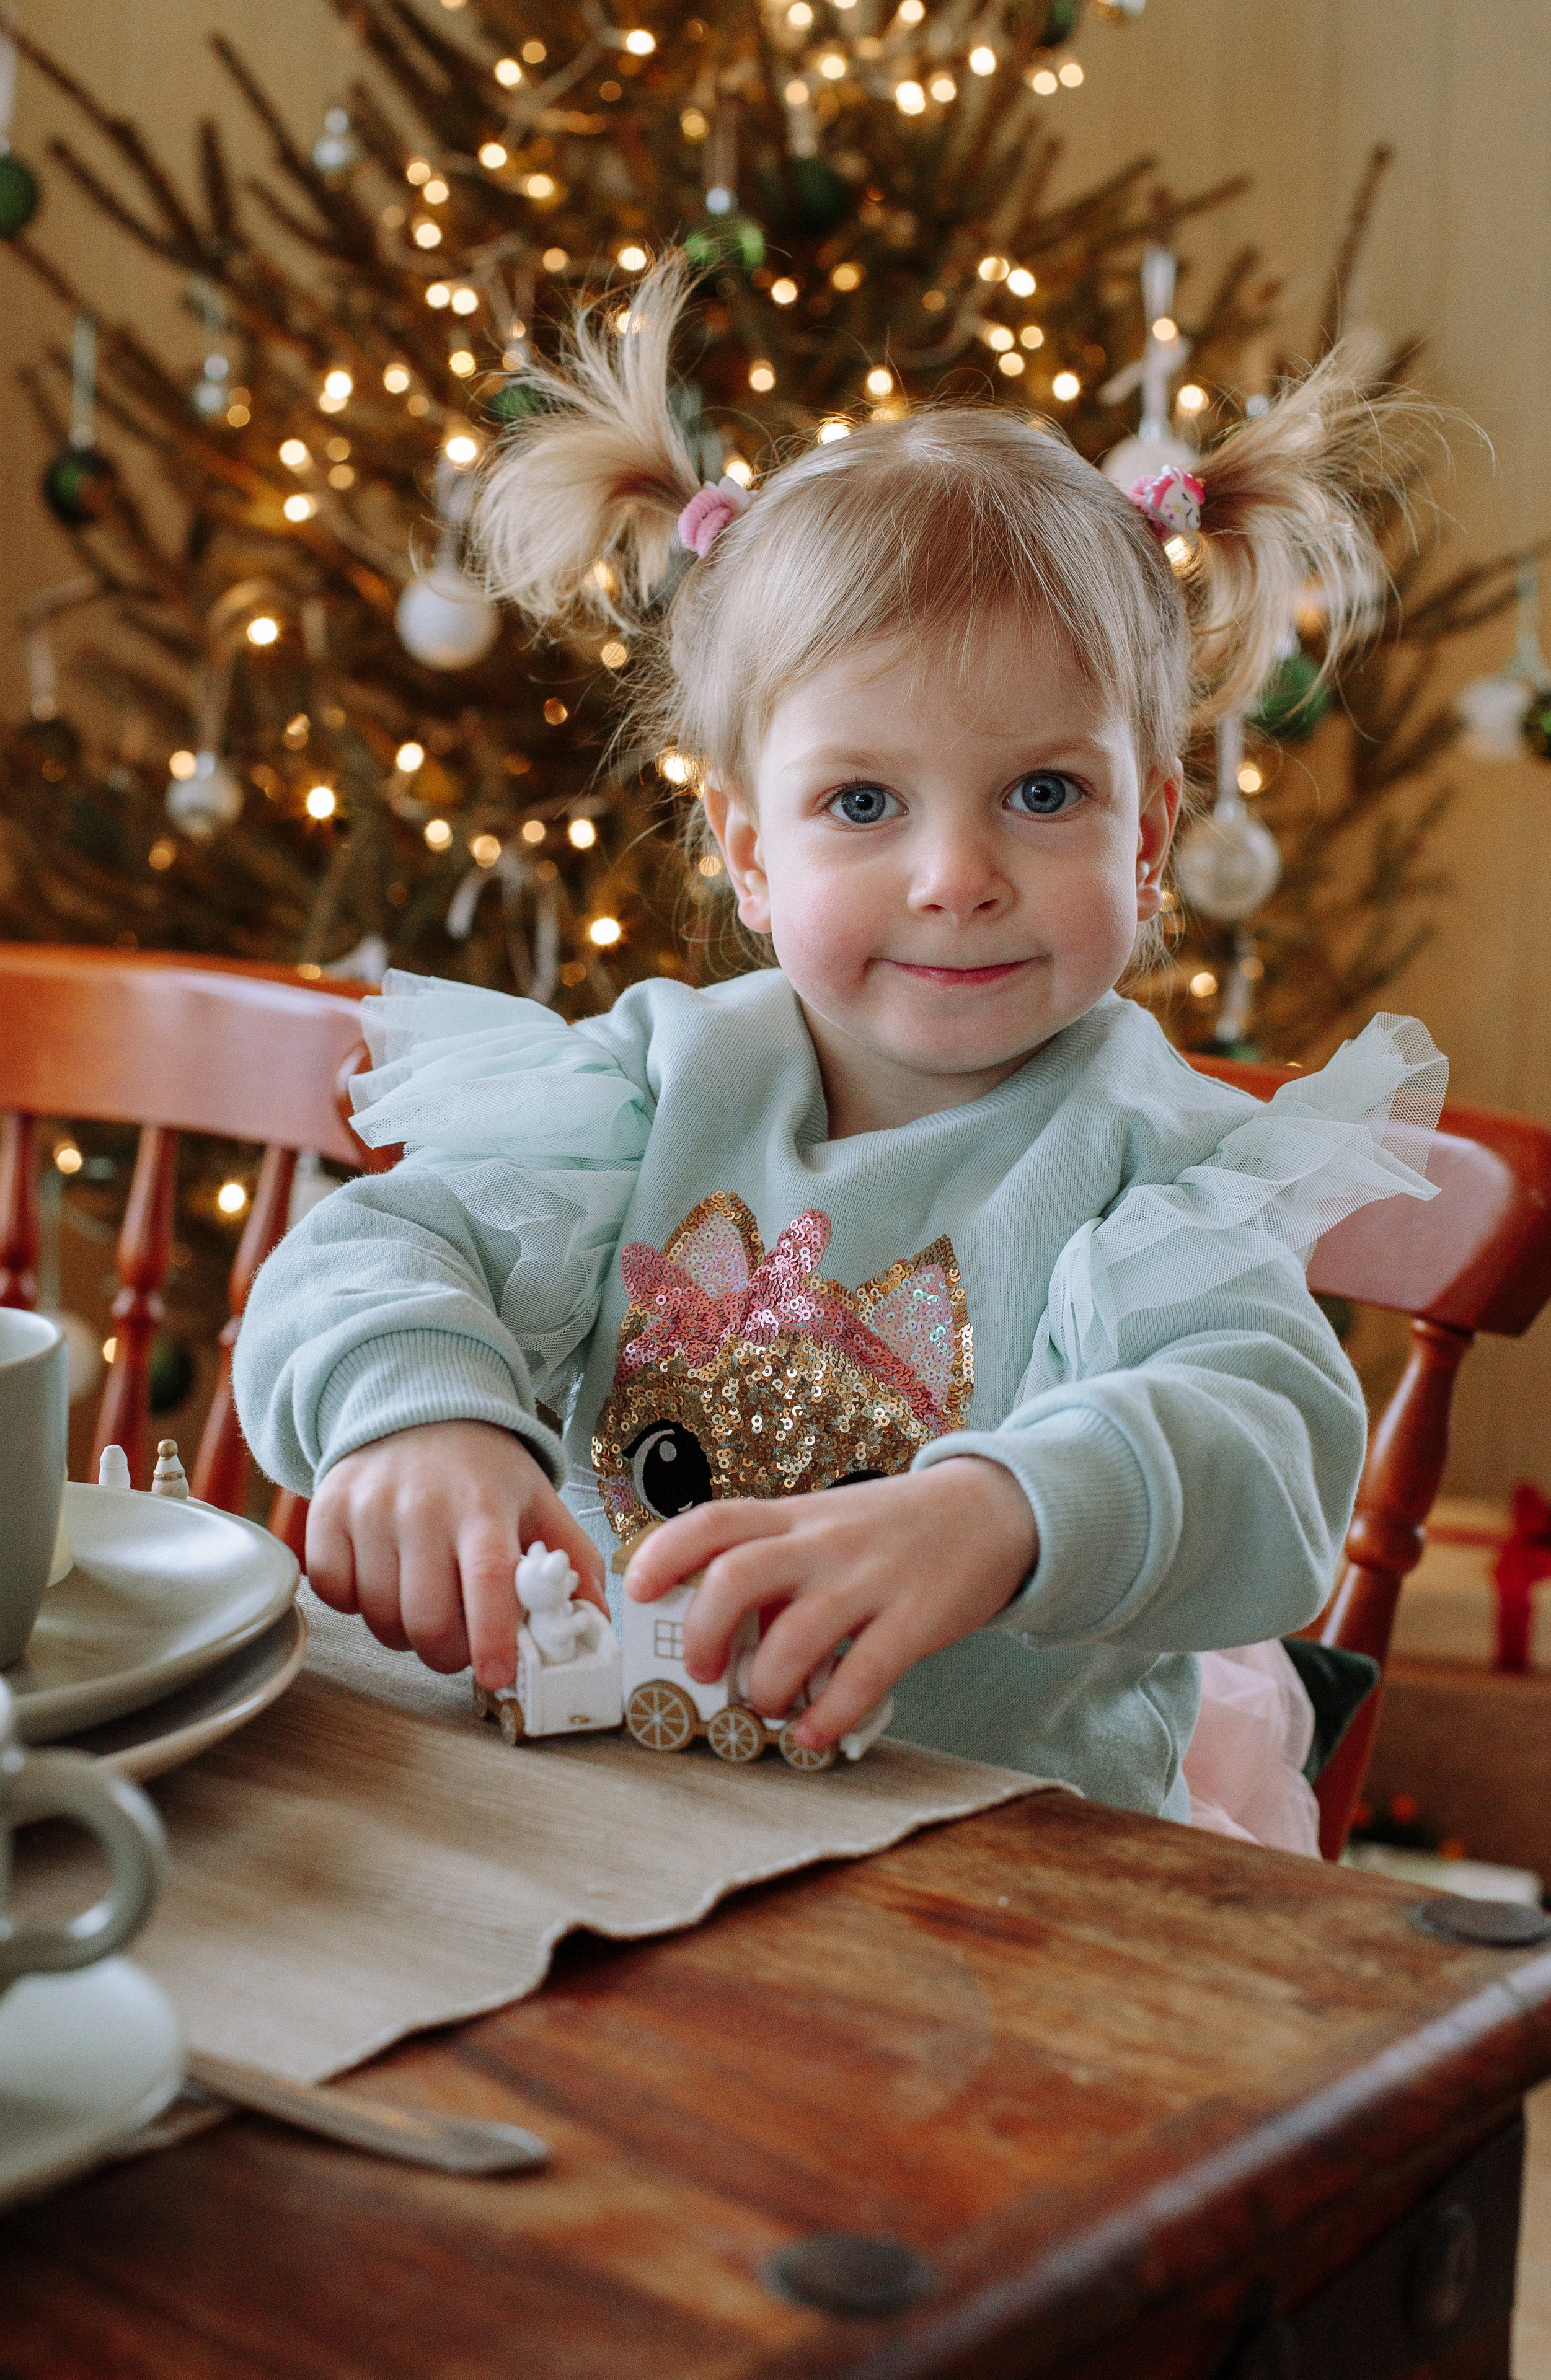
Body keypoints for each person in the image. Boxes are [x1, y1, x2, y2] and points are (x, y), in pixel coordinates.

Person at [235, 255, 1447, 1849]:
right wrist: (418, 1414)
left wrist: (996, 1514)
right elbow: (369, 1257)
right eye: (862, 803)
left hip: (991, 1875)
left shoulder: (1160, 1165)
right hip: (599, 1813)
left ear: (1149, 832)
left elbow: (1265, 1450)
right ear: (747, 848)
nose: (955, 874)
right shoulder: (641, 1095)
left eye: (1042, 793)